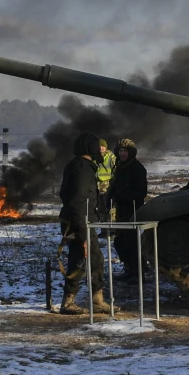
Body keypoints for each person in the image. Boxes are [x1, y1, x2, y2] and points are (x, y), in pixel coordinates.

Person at [59, 132, 111, 315]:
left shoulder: (81, 166)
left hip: (83, 221)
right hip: (80, 223)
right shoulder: (82, 168)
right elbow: (78, 200)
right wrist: (82, 230)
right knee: (82, 260)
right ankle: (69, 302)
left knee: (91, 259)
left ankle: (96, 300)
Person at [106, 138, 148, 277]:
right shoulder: (120, 167)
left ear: (131, 152)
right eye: (121, 151)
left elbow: (142, 192)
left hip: (133, 210)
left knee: (131, 242)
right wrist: (109, 198)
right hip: (121, 211)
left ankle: (137, 272)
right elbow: (115, 185)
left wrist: (123, 196)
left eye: (125, 151)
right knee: (119, 242)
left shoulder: (137, 168)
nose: (123, 154)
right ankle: (130, 267)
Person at [95, 139, 117, 208]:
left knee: (108, 205)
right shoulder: (94, 156)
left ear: (106, 147)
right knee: (99, 206)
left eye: (103, 146)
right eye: (99, 146)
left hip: (107, 185)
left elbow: (115, 168)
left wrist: (113, 181)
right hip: (97, 185)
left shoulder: (110, 156)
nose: (101, 148)